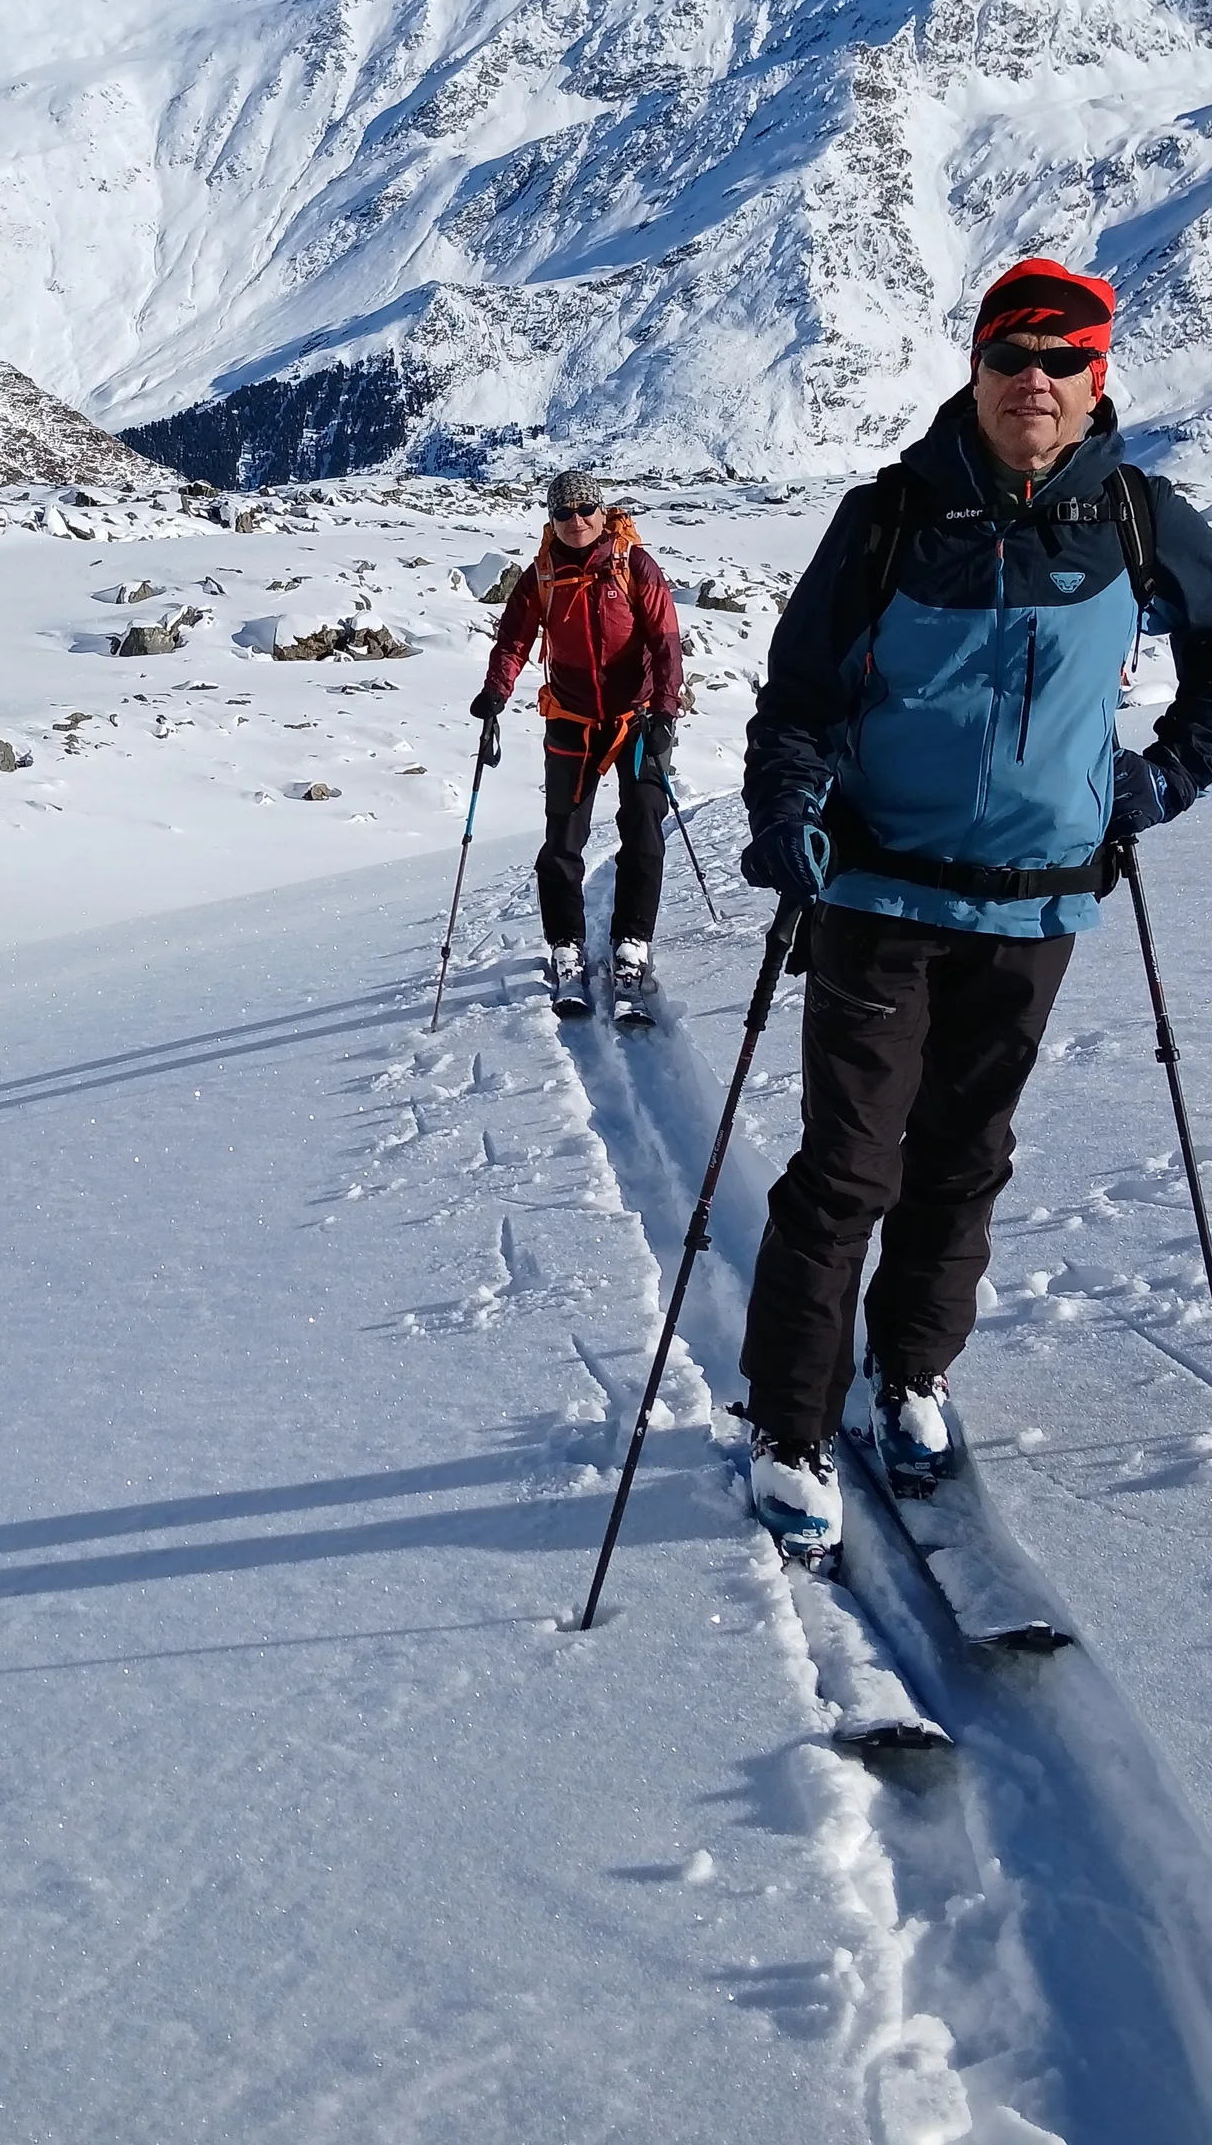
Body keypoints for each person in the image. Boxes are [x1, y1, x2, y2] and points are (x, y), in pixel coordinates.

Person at [736, 253, 1212, 1556]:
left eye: (1066, 360)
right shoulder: (889, 519)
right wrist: (786, 812)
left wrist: (1165, 774)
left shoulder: (1137, 520)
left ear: (1100, 375)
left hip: (1038, 911)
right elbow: (798, 703)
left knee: (963, 1160)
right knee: (849, 1167)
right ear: (978, 368)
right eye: (1015, 356)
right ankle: (787, 1428)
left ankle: (910, 1378)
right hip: (879, 896)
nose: (1038, 382)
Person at [471, 466, 684, 1013]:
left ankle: (632, 942)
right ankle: (566, 944)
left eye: (585, 509)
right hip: (570, 718)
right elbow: (514, 640)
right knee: (563, 838)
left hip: (636, 719)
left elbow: (664, 641)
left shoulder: (632, 565)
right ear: (551, 518)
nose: (575, 521)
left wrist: (664, 710)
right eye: (562, 512)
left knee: (643, 827)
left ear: (601, 510)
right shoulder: (540, 575)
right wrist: (496, 693)